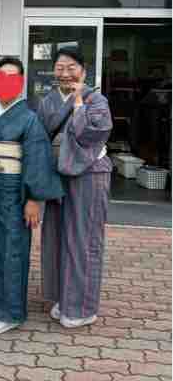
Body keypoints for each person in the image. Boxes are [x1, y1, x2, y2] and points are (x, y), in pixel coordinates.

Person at [0, 57, 63, 335]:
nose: (6, 82)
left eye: (13, 77)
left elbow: (37, 161)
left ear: (21, 82)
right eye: (1, 76)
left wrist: (34, 199)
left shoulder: (29, 119)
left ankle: (10, 312)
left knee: (11, 251)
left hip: (14, 194)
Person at [38, 47, 113, 329]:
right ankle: (63, 298)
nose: (65, 73)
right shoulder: (47, 101)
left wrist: (79, 102)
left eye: (71, 67)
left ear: (83, 70)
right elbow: (40, 139)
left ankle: (81, 307)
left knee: (83, 239)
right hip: (57, 176)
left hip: (89, 175)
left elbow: (93, 133)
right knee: (57, 237)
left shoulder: (96, 100)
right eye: (60, 67)